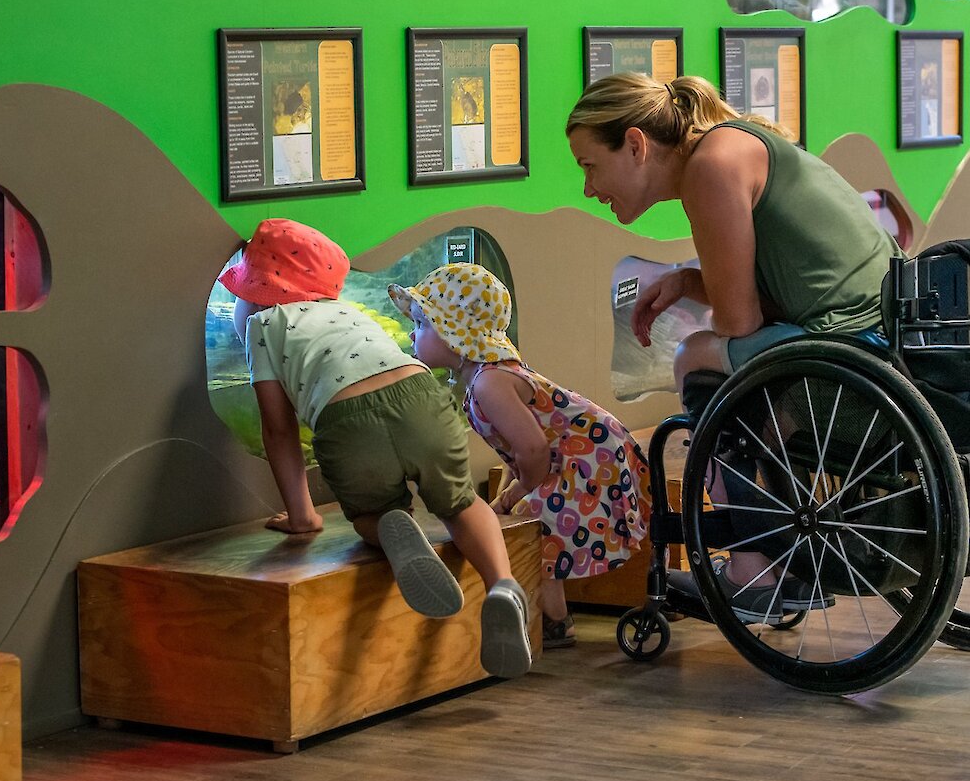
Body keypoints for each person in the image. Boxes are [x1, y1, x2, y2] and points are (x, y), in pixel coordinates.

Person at [565, 72, 902, 621]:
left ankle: (751, 568)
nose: (587, 188)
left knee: (692, 356)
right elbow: (776, 297)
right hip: (881, 348)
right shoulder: (734, 144)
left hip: (852, 362)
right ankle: (782, 554)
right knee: (715, 358)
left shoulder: (711, 169)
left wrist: (697, 288)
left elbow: (741, 322)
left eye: (589, 166)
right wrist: (689, 281)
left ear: (634, 144)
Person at [219, 218, 531, 678]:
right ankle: (503, 584)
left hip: (345, 421)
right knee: (461, 503)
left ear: (260, 293)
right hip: (419, 395)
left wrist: (303, 516)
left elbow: (279, 431)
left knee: (371, 511)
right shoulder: (347, 312)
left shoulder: (264, 327)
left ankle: (391, 528)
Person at [388, 264, 649, 649]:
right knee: (530, 519)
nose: (414, 334)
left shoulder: (490, 382)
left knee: (534, 523)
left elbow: (533, 449)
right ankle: (554, 618)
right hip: (574, 456)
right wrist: (514, 487)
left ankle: (555, 621)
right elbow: (521, 450)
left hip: (590, 459)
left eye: (423, 325)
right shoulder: (487, 376)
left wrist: (516, 493)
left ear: (454, 334)